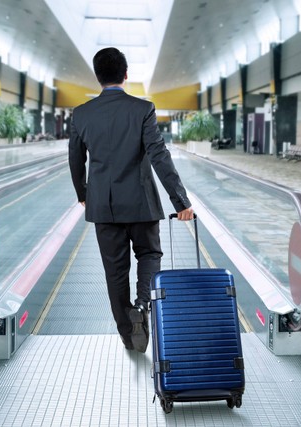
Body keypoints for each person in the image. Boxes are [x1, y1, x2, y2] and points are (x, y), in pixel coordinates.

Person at [68, 47, 194, 353]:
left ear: (98, 78)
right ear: (126, 75)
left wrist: (84, 195)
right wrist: (180, 201)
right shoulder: (143, 109)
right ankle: (142, 304)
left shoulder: (82, 114)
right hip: (142, 203)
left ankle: (129, 335)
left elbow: (75, 160)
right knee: (150, 254)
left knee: (115, 272)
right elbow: (159, 156)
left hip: (104, 208)